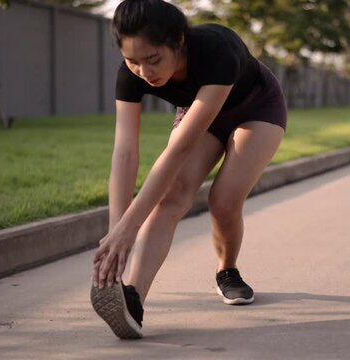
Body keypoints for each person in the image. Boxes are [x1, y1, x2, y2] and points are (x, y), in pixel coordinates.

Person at [90, 0, 287, 339]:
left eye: (153, 60)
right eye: (132, 60)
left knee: (224, 201)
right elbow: (124, 153)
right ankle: (132, 299)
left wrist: (130, 228)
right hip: (200, 109)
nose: (144, 72)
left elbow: (180, 148)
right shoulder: (132, 74)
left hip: (256, 107)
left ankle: (227, 271)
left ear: (179, 41)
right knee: (172, 196)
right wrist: (117, 234)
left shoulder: (216, 50)